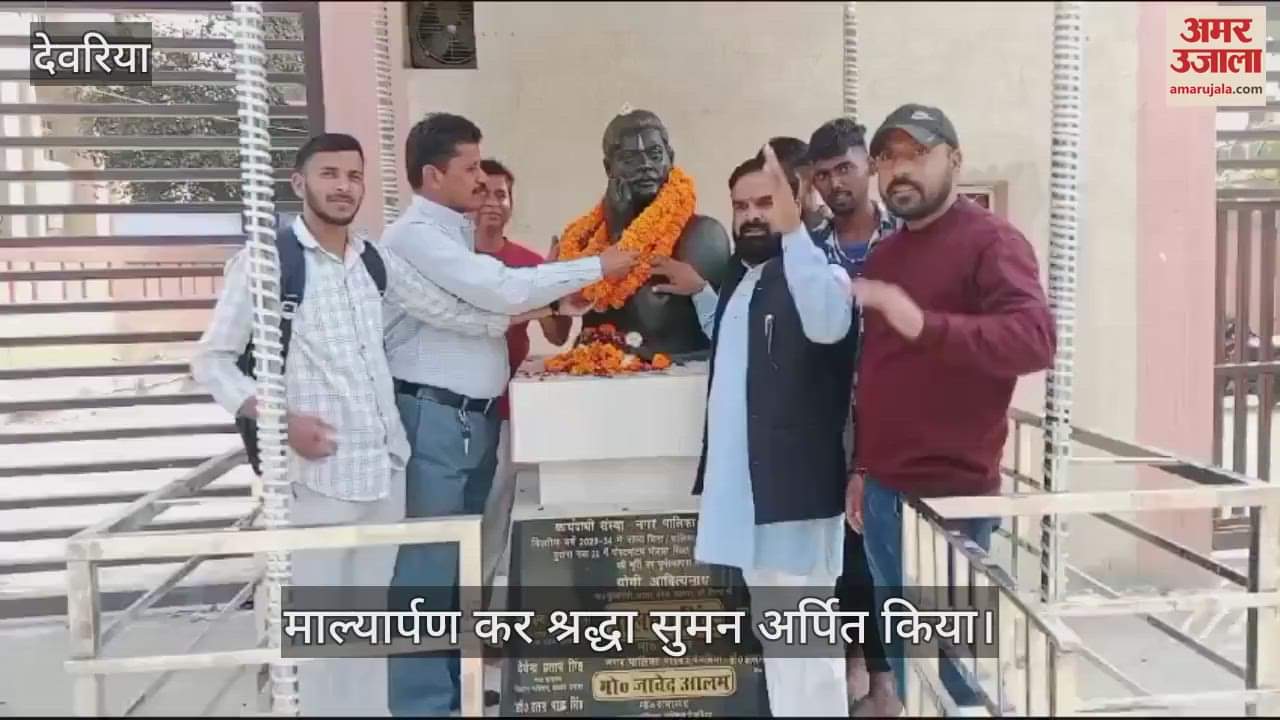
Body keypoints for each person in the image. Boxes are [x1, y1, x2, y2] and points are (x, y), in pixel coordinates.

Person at [190, 132, 520, 716]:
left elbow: (446, 310)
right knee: (320, 636)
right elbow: (211, 360)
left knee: (374, 637)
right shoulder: (268, 263)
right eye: (329, 174)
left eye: (353, 175)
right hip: (314, 479)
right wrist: (279, 420)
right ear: (300, 184)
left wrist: (538, 305)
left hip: (383, 472)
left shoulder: (370, 259)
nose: (343, 186)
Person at [380, 112, 636, 717]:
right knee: (428, 573)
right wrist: (597, 265)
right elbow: (498, 291)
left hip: (470, 420)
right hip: (435, 419)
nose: (480, 179)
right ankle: (422, 707)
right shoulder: (415, 236)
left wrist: (552, 297)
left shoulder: (452, 234)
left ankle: (453, 697)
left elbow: (480, 317)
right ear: (432, 175)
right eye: (469, 168)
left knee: (459, 574)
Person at [848, 103, 1056, 711]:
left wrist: (926, 324)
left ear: (955, 161)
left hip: (953, 498)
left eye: (917, 154)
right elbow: (880, 371)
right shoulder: (888, 254)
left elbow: (1034, 340)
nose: (898, 171)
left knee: (961, 671)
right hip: (887, 493)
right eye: (887, 158)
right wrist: (863, 467)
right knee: (911, 657)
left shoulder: (991, 242)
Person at [650, 144, 854, 717]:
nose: (751, 216)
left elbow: (828, 322)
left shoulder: (821, 274)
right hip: (750, 497)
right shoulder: (750, 282)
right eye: (741, 205)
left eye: (767, 202)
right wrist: (702, 292)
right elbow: (734, 347)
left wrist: (795, 236)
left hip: (792, 498)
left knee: (807, 651)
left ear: (799, 201)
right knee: (781, 643)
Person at [805, 117, 902, 715]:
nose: (835, 183)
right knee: (844, 543)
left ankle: (889, 677)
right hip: (831, 414)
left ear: (867, 165)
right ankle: (856, 662)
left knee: (887, 543)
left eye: (845, 167)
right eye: (823, 175)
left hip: (897, 409)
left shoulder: (909, 236)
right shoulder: (811, 249)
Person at [470, 158, 573, 593]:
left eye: (502, 194)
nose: (493, 202)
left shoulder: (526, 262)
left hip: (506, 408)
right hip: (446, 408)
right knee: (450, 519)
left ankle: (477, 625)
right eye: (483, 192)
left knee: (495, 513)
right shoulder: (449, 260)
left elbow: (559, 331)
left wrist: (551, 282)